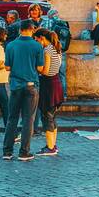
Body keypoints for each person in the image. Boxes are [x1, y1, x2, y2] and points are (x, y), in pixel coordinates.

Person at [2, 18, 45, 161]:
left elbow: (7, 67)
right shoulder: (37, 46)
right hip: (31, 85)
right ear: (32, 30)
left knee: (11, 118)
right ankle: (24, 152)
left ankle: (7, 152)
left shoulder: (11, 45)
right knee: (28, 120)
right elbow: (40, 68)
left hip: (15, 85)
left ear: (20, 29)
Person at [34, 27, 65, 156]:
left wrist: (37, 68)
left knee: (47, 116)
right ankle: (53, 144)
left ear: (42, 38)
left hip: (48, 85)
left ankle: (50, 147)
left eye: (37, 40)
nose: (36, 42)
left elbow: (45, 71)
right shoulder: (56, 48)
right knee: (52, 116)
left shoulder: (46, 50)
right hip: (56, 83)